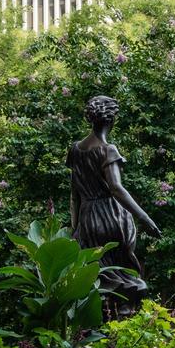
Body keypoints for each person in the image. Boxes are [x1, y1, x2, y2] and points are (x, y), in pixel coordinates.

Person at [68, 94, 159, 317]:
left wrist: (75, 228)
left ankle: (99, 329)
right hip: (111, 218)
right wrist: (145, 219)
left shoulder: (75, 150)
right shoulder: (108, 150)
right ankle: (123, 322)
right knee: (125, 275)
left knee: (98, 277)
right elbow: (117, 188)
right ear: (111, 119)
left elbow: (74, 195)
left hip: (87, 220)